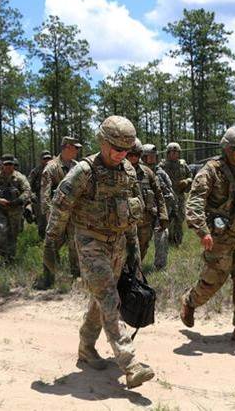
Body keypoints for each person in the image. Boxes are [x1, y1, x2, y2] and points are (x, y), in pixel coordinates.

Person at [43, 115, 155, 389]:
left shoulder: (128, 171)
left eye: (126, 150)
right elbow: (60, 207)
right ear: (102, 142)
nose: (120, 155)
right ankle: (130, 363)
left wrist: (134, 249)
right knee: (108, 298)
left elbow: (130, 212)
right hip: (90, 242)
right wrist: (51, 242)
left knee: (99, 298)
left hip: (117, 243)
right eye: (116, 149)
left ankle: (86, 347)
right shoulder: (83, 171)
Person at [180, 126, 235, 346]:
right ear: (226, 147)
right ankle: (189, 302)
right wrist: (202, 231)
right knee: (212, 282)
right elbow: (195, 201)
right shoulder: (211, 170)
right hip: (219, 238)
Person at [38, 136, 82, 282]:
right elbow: (45, 193)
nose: (77, 151)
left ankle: (76, 275)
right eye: (75, 148)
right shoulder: (51, 167)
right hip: (56, 213)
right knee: (51, 243)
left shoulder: (77, 166)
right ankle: (48, 277)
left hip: (74, 212)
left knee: (74, 242)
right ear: (67, 148)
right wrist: (49, 213)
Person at [125, 139, 168, 264]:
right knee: (124, 251)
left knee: (142, 248)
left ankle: (135, 273)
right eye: (130, 155)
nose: (133, 158)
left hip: (145, 220)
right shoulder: (118, 171)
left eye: (137, 155)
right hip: (124, 222)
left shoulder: (147, 172)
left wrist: (163, 215)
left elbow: (159, 195)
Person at [0, 154, 32, 263]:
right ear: (2, 165)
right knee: (0, 231)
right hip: (1, 209)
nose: (8, 167)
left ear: (13, 165)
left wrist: (19, 200)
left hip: (15, 210)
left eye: (11, 164)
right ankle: (1, 255)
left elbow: (27, 190)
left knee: (13, 235)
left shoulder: (20, 177)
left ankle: (10, 259)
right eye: (6, 164)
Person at [141, 144, 175, 270]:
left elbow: (169, 191)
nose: (152, 158)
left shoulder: (161, 173)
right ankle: (134, 267)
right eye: (149, 156)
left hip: (158, 211)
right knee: (140, 242)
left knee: (162, 237)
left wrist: (169, 208)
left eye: (154, 156)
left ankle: (160, 266)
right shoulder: (137, 171)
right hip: (142, 213)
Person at [159, 142, 192, 246]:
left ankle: (177, 241)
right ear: (167, 153)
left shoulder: (183, 164)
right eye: (172, 152)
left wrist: (187, 181)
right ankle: (166, 241)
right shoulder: (162, 165)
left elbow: (191, 175)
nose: (174, 154)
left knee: (179, 219)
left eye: (176, 152)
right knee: (167, 219)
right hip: (167, 197)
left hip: (180, 196)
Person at [28, 151, 53, 239]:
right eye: (45, 159)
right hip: (39, 199)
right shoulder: (36, 171)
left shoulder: (55, 169)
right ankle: (43, 239)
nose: (47, 161)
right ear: (41, 160)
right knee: (42, 221)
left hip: (53, 198)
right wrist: (32, 197)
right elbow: (28, 186)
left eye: (49, 158)